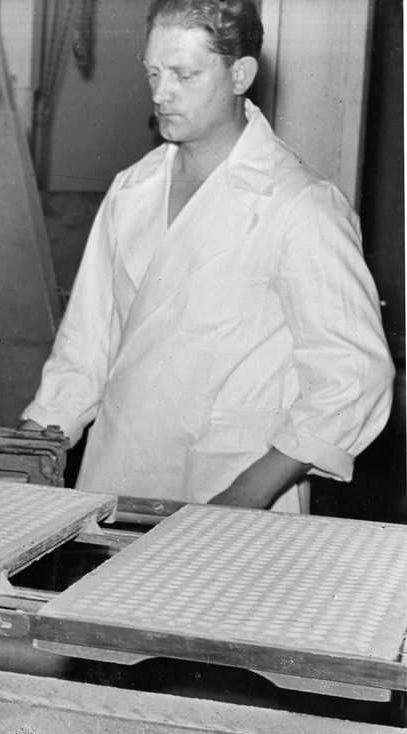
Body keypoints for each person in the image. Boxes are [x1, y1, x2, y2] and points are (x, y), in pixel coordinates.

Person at [20, 0, 394, 512]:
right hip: (119, 474)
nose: (161, 93)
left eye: (184, 74)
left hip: (234, 492)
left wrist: (247, 493)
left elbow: (354, 375)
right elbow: (83, 352)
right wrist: (26, 452)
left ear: (240, 75)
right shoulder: (132, 189)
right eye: (153, 73)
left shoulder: (300, 204)